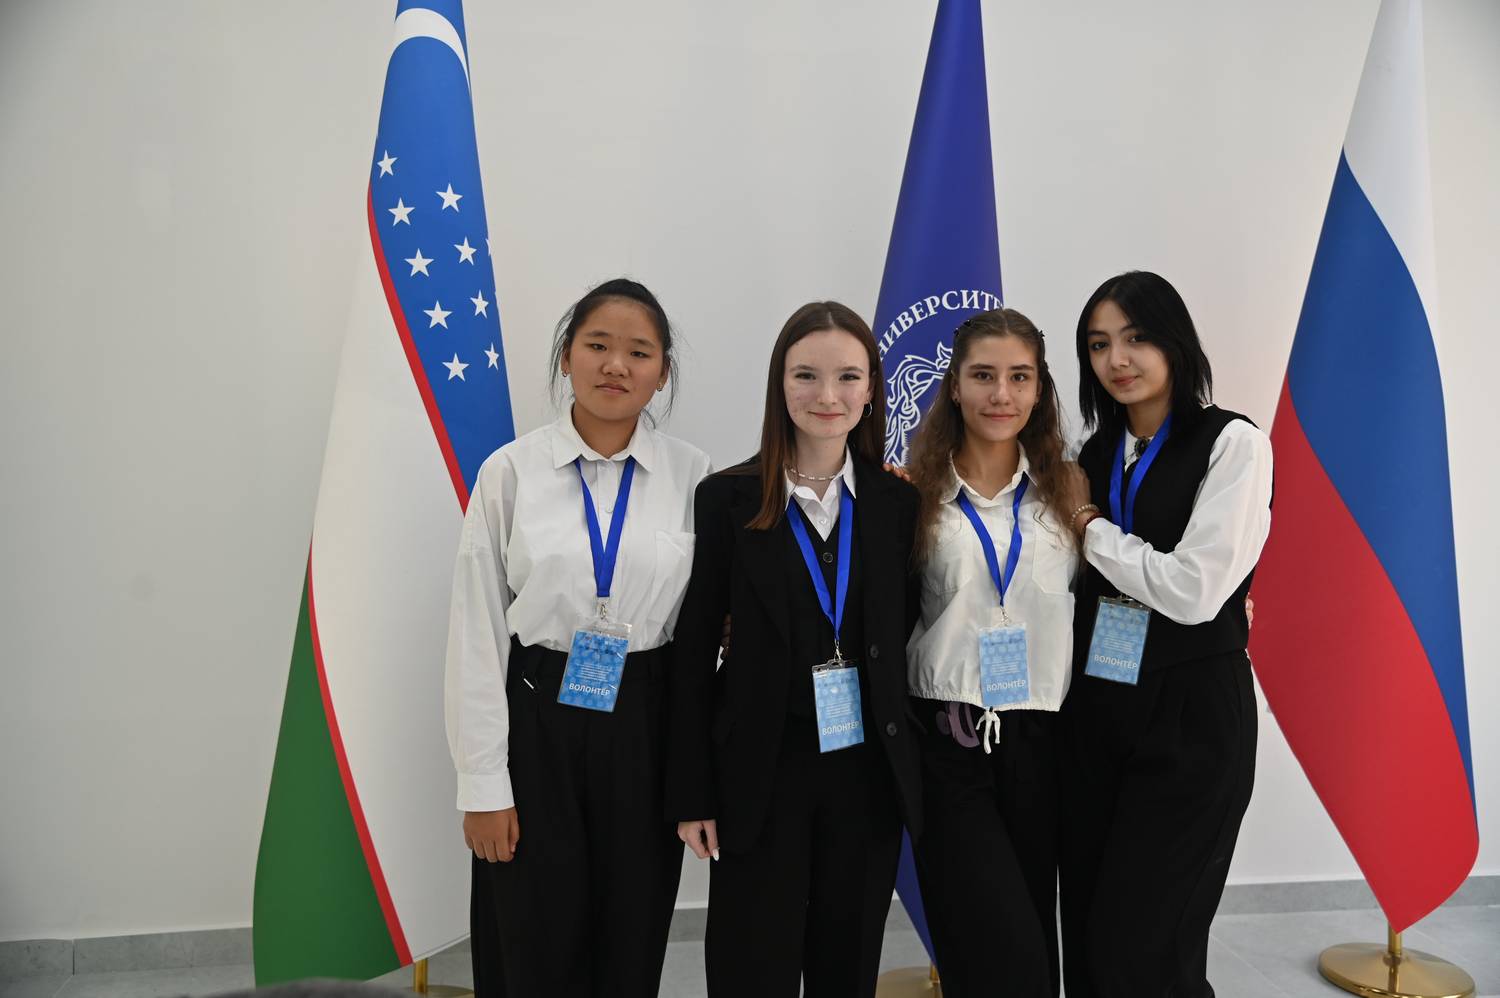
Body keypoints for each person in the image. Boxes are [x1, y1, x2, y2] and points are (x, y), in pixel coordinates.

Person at [443, 278, 711, 998]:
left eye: (639, 352)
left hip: (647, 719)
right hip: (538, 716)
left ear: (662, 373)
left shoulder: (694, 477)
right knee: (531, 936)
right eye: (597, 345)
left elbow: (707, 635)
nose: (616, 365)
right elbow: (476, 632)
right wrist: (483, 785)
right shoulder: (510, 473)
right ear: (567, 356)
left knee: (631, 934)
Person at [666, 301, 923, 998]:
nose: (827, 395)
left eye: (848, 377)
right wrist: (692, 791)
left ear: (872, 389)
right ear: (779, 384)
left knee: (847, 967)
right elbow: (694, 653)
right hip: (760, 773)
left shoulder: (898, 503)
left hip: (865, 775)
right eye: (806, 375)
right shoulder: (727, 498)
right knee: (752, 967)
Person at [1057, 271, 1273, 998]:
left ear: (1175, 342)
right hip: (1097, 707)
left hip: (1191, 716)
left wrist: (1089, 525)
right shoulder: (1090, 456)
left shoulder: (1233, 444)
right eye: (1098, 344)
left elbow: (1192, 592)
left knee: (1149, 946)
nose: (1117, 359)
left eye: (1137, 337)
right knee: (1089, 934)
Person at [904, 308, 1076, 997]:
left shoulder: (1070, 490)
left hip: (1045, 739)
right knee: (997, 941)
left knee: (1030, 923)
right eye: (982, 376)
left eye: (1019, 377)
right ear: (954, 386)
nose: (1000, 394)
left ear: (1039, 390)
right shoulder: (913, 497)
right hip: (949, 738)